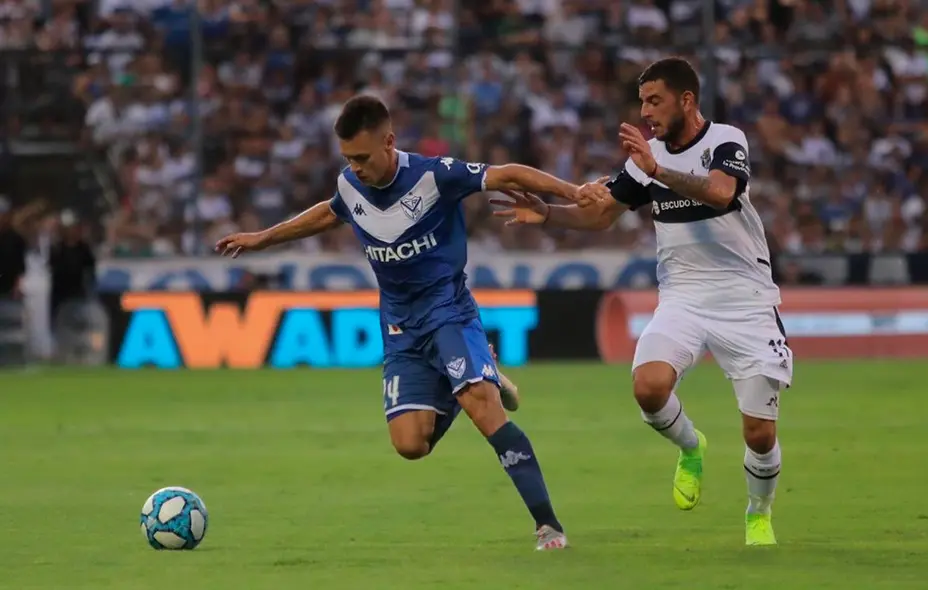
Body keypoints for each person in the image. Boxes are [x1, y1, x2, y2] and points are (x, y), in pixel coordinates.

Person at [216, 95, 603, 550]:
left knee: (484, 410)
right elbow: (327, 211)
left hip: (449, 312)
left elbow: (509, 172)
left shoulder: (434, 175)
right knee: (410, 444)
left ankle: (547, 526)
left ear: (389, 141)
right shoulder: (350, 185)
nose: (355, 167)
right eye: (347, 159)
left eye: (362, 157)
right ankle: (482, 373)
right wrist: (263, 238)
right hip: (400, 327)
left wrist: (573, 191)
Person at [493, 57, 791, 547]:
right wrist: (548, 214)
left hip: (746, 300)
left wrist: (659, 170)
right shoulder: (644, 158)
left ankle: (758, 512)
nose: (645, 111)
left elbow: (720, 194)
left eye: (655, 101)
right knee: (648, 388)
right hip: (683, 298)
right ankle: (691, 447)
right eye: (642, 101)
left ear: (686, 100)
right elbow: (601, 216)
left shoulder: (725, 141)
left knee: (759, 433)